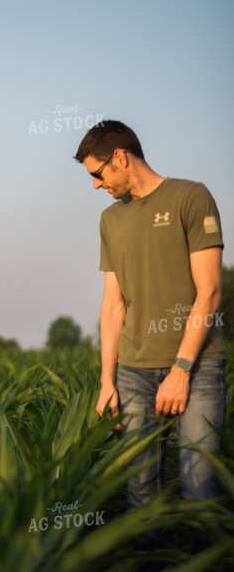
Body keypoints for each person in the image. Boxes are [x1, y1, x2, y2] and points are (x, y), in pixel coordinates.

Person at [74, 120, 224, 551]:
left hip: (197, 367)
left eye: (97, 174)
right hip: (133, 372)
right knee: (141, 492)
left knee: (200, 490)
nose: (97, 186)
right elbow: (112, 305)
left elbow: (209, 292)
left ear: (120, 158)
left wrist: (181, 370)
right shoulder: (109, 220)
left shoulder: (191, 197)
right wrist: (107, 380)